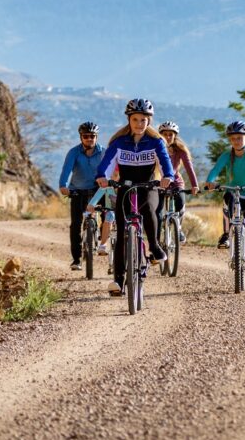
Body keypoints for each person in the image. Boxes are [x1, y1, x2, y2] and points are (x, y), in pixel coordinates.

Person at [95, 98, 174, 296]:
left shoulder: (156, 142)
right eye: (135, 119)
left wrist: (167, 177)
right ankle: (119, 280)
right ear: (129, 120)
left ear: (149, 121)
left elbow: (165, 162)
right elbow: (106, 163)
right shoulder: (119, 142)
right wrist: (102, 177)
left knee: (148, 209)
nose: (139, 124)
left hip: (148, 186)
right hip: (125, 187)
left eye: (143, 120)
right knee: (122, 233)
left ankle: (155, 247)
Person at [203, 120, 245, 278]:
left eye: (239, 138)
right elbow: (216, 169)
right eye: (233, 138)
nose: (236, 141)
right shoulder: (227, 155)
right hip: (232, 190)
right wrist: (210, 181)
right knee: (227, 200)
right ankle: (226, 235)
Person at [58, 122, 105, 271]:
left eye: (92, 136)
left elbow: (111, 169)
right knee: (76, 224)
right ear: (81, 137)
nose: (89, 139)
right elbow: (66, 170)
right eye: (86, 136)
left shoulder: (104, 152)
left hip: (99, 190)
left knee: (109, 214)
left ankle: (102, 242)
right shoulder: (74, 152)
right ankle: (76, 259)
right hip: (77, 190)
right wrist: (63, 186)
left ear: (96, 137)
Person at [157, 120, 199, 241]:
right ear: (160, 135)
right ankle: (157, 235)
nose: (168, 137)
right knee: (157, 209)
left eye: (171, 134)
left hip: (175, 181)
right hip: (159, 182)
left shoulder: (180, 150)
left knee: (180, 201)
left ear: (175, 136)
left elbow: (189, 167)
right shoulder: (156, 149)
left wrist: (194, 185)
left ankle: (178, 227)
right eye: (165, 134)